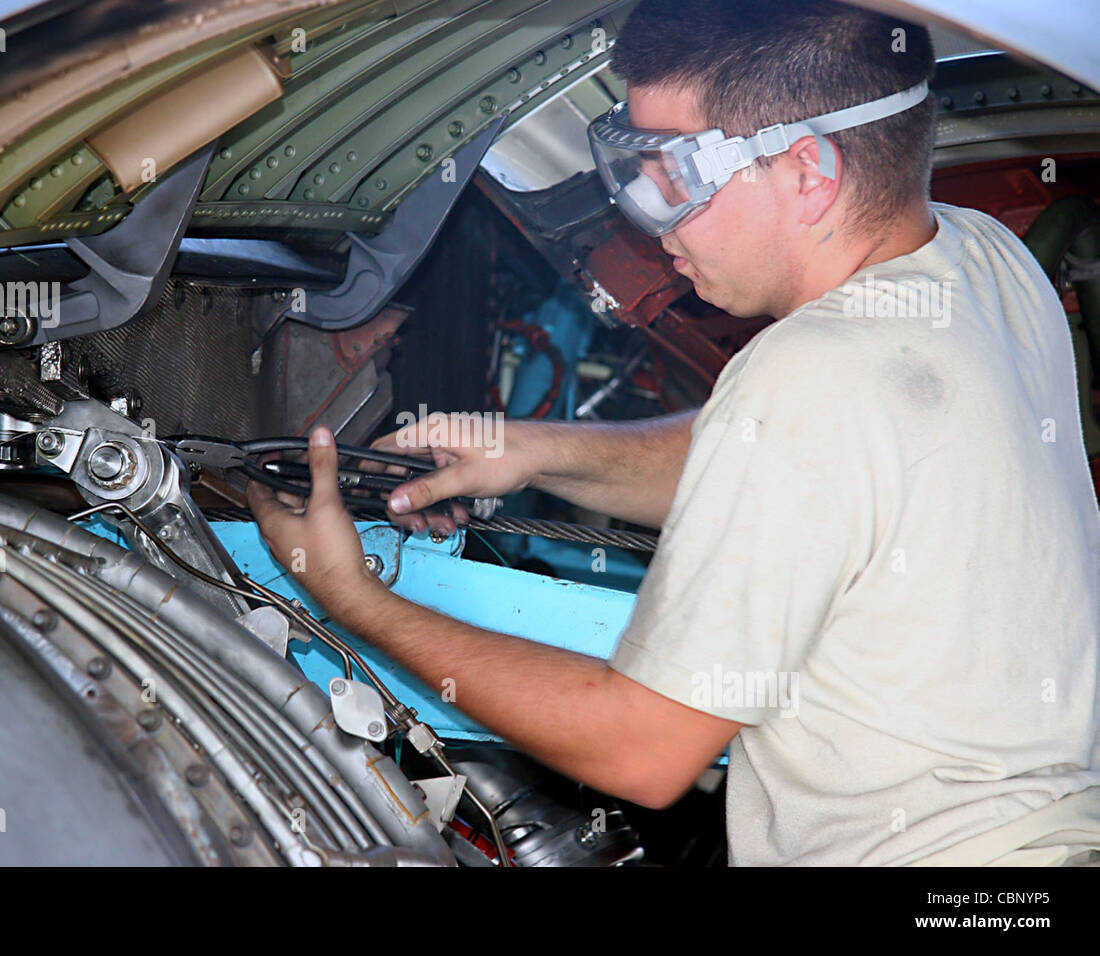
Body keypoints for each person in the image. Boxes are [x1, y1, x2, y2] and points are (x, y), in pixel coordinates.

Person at [248, 0, 1100, 865]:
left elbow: (643, 750)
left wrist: (351, 597)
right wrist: (533, 451)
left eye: (675, 175)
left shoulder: (811, 376)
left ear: (808, 171)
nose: (643, 220)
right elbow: (789, 466)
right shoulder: (984, 257)